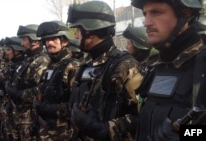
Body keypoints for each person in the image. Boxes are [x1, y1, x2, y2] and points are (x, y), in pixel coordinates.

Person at [67, 1, 144, 141]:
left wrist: (102, 128)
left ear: (89, 32)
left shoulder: (125, 66)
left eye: (78, 30)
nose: (76, 36)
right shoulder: (87, 63)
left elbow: (143, 115)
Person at [131, 0, 206, 141]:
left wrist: (185, 134)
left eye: (156, 12)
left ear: (185, 14)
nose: (146, 23)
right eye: (145, 14)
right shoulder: (153, 66)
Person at [33, 20, 80, 141]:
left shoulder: (72, 66)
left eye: (53, 39)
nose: (49, 43)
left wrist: (47, 108)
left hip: (62, 134)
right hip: (45, 130)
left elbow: (76, 107)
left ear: (64, 41)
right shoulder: (50, 65)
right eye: (47, 40)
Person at [5, 24, 50, 141]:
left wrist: (18, 93)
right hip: (20, 114)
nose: (21, 44)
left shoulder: (42, 60)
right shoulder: (29, 60)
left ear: (34, 41)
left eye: (24, 39)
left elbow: (40, 91)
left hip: (30, 118)